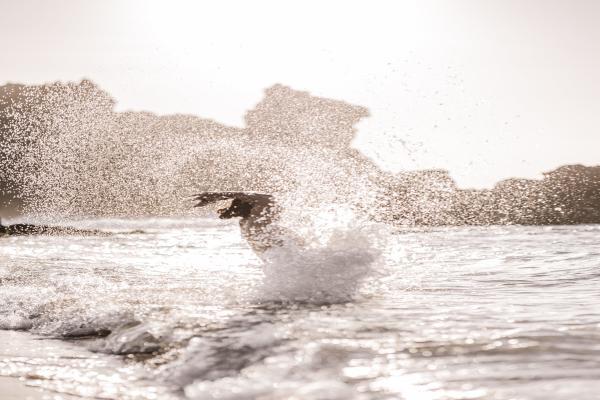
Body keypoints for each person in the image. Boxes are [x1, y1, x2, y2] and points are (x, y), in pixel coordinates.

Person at [192, 192, 300, 254]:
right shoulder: (257, 226)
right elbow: (266, 198)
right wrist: (220, 195)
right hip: (289, 255)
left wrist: (218, 196)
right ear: (254, 207)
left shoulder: (246, 226)